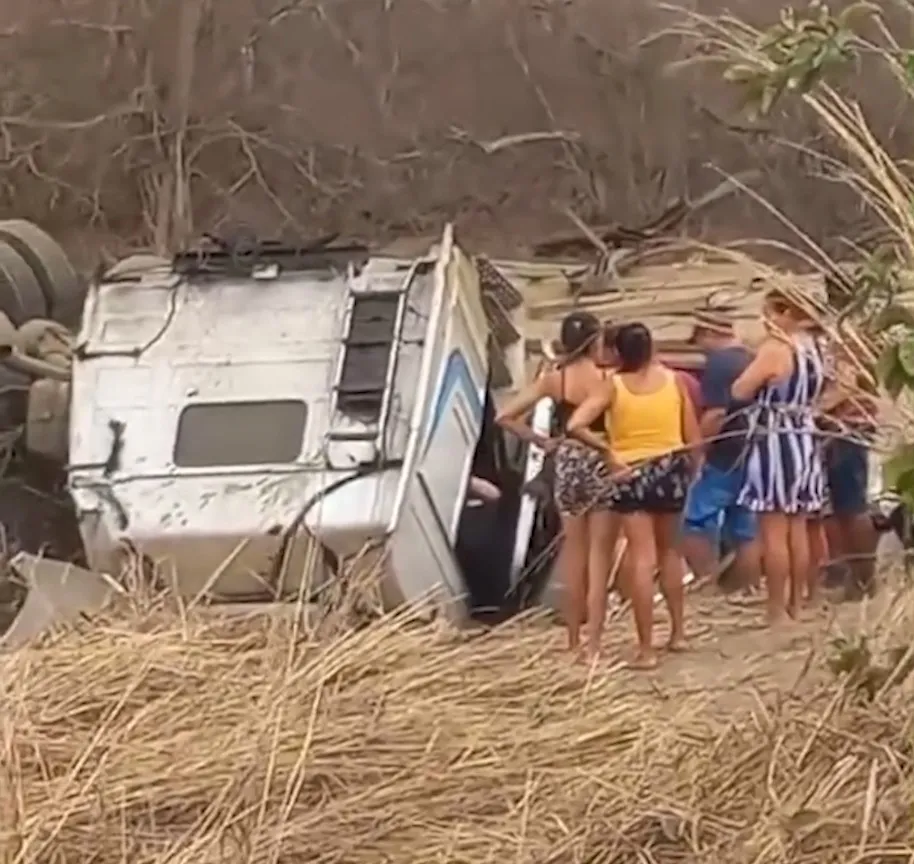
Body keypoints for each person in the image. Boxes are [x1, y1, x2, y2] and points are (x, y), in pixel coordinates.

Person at [568, 322, 700, 669]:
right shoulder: (674, 381)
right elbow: (693, 436)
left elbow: (575, 425)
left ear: (619, 352)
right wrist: (692, 471)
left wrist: (608, 452)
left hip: (632, 470)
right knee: (671, 551)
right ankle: (678, 633)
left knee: (643, 559)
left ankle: (646, 649)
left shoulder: (614, 386)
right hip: (671, 468)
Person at [496, 311, 625, 660]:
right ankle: (594, 645)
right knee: (600, 558)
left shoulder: (556, 380)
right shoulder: (609, 377)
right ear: (596, 341)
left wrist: (541, 441)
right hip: (601, 460)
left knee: (574, 556)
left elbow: (504, 416)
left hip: (567, 463)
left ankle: (571, 640)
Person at [731, 288, 826, 625]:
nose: (764, 318)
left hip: (776, 439)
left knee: (773, 531)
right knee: (798, 527)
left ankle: (775, 608)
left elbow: (740, 389)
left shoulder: (775, 349)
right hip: (805, 435)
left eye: (768, 312)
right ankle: (797, 604)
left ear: (783, 312)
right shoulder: (812, 347)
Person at [680, 309, 761, 594]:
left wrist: (699, 450)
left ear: (711, 333)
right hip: (753, 452)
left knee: (693, 521)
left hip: (725, 454)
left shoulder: (719, 364)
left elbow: (715, 414)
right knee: (746, 529)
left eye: (700, 339)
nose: (700, 347)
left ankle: (708, 585)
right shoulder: (752, 358)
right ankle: (743, 590)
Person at [818, 339, 879, 600]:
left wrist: (808, 410)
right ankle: (858, 577)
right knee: (844, 508)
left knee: (851, 507)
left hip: (847, 429)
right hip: (844, 428)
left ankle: (865, 579)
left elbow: (845, 385)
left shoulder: (846, 339)